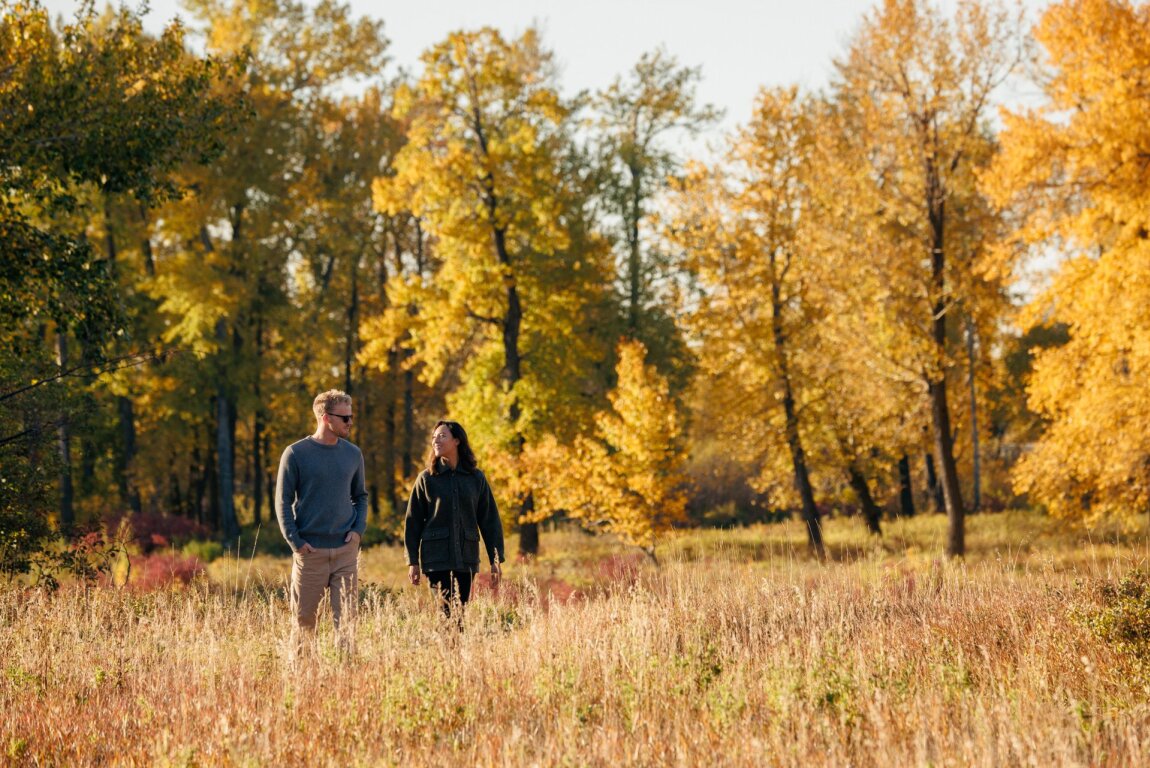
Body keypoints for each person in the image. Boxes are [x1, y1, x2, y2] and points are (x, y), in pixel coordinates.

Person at [275, 389, 368, 657]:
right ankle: (303, 681)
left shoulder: (353, 454)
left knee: (347, 623)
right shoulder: (295, 454)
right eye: (345, 418)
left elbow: (360, 496)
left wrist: (357, 531)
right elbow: (283, 502)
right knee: (304, 624)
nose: (350, 423)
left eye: (351, 417)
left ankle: (346, 679)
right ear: (326, 418)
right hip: (310, 552)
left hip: (345, 552)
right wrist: (296, 542)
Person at [405, 420, 504, 619]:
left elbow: (489, 520)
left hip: (466, 557)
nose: (436, 440)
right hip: (435, 558)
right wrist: (412, 561)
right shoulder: (426, 479)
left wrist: (496, 559)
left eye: (442, 436)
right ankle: (448, 649)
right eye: (434, 437)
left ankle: (455, 650)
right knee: (445, 613)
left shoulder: (476, 478)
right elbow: (412, 522)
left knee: (459, 613)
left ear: (457, 441)